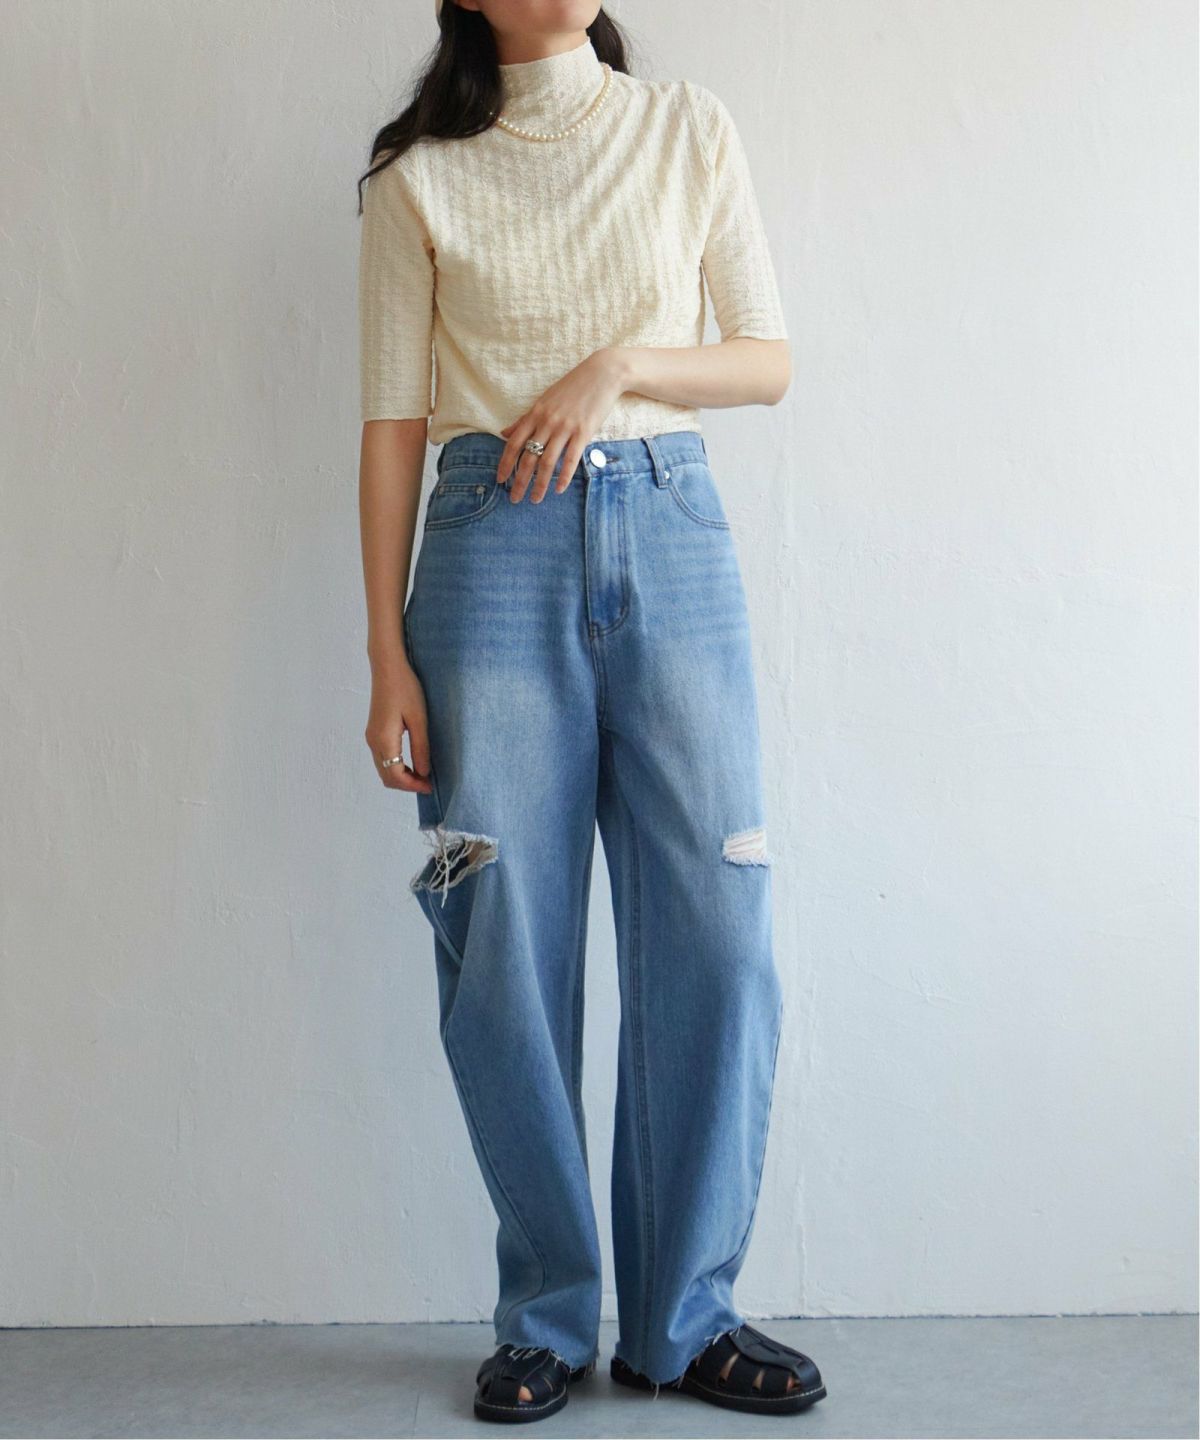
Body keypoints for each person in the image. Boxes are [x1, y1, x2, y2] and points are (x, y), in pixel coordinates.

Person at [356, 0, 827, 1423]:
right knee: (500, 936)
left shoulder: (686, 129)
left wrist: (619, 366)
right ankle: (547, 1316)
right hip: (488, 555)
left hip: (673, 536)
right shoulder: (418, 180)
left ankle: (687, 1319)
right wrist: (383, 655)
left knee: (718, 926)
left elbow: (764, 357)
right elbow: (390, 428)